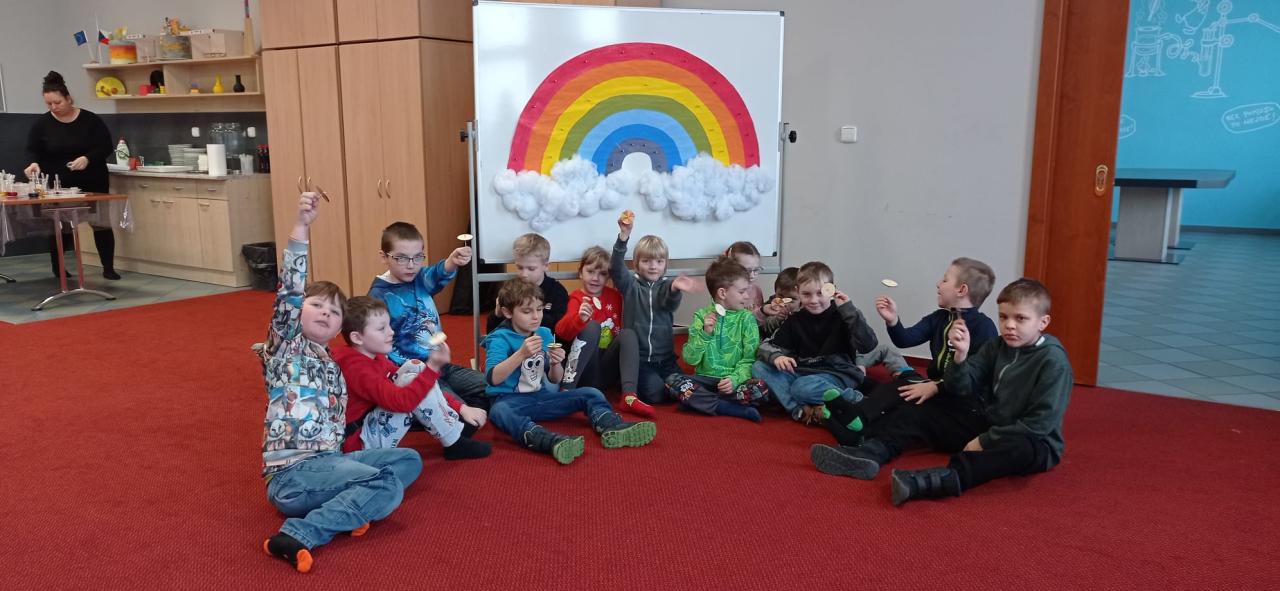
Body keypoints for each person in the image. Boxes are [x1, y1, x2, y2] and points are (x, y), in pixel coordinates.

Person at [258, 193, 421, 573]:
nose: (325, 312)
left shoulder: (333, 365)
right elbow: (289, 290)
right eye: (316, 305)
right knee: (386, 486)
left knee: (408, 460)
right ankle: (299, 533)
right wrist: (302, 225)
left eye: (334, 311)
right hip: (292, 475)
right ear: (296, 313)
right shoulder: (286, 348)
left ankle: (347, 503)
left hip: (329, 463)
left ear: (339, 329)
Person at [810, 279, 1073, 507]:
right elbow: (961, 386)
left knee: (1019, 449)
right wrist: (960, 356)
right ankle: (871, 452)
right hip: (988, 423)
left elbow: (1039, 424)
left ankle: (943, 480)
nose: (1010, 325)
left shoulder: (1052, 361)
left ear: (1043, 322)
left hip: (1031, 440)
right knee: (921, 407)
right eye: (1004, 317)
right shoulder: (996, 346)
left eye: (1020, 319)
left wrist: (985, 441)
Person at [484, 279, 656, 465]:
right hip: (509, 401)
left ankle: (610, 425)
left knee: (591, 393)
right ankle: (548, 440)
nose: (536, 316)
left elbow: (555, 379)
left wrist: (556, 363)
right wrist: (520, 354)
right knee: (499, 411)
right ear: (508, 312)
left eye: (539, 309)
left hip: (540, 397)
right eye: (527, 311)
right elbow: (493, 378)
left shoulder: (544, 333)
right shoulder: (499, 338)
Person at [823, 258, 1000, 439]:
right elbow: (905, 340)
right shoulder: (939, 318)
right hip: (935, 387)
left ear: (961, 290)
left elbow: (978, 379)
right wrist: (893, 320)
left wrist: (936, 387)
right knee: (901, 386)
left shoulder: (983, 327)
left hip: (962, 403)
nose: (938, 283)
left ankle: (858, 425)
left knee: (907, 406)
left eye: (945, 279)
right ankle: (856, 419)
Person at [333, 296, 491, 460]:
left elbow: (414, 378)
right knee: (414, 380)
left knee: (415, 366)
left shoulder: (373, 356)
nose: (391, 332)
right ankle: (454, 441)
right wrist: (433, 368)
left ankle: (452, 429)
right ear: (357, 338)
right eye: (381, 329)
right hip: (358, 444)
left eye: (389, 325)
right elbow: (402, 402)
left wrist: (460, 407)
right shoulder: (357, 369)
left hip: (370, 421)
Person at [367, 222, 489, 409]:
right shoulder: (378, 296)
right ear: (384, 257)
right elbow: (377, 346)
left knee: (490, 388)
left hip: (441, 365)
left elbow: (436, 273)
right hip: (413, 372)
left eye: (418, 257)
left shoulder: (419, 278)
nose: (411, 265)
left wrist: (452, 261)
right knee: (457, 412)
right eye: (401, 258)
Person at [751, 263, 879, 424]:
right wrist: (777, 356)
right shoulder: (795, 320)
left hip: (837, 373)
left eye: (820, 293)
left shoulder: (844, 314)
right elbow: (766, 346)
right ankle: (802, 410)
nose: (814, 300)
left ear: (831, 290)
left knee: (801, 387)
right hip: (803, 372)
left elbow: (868, 345)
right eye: (806, 294)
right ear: (798, 291)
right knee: (759, 367)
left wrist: (850, 311)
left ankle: (855, 399)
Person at [23, 71, 119, 280]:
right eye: (49, 104)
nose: (53, 107)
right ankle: (58, 268)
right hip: (59, 183)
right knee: (60, 225)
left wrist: (88, 158)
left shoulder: (90, 120)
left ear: (69, 98)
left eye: (57, 102)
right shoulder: (42, 124)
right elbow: (32, 150)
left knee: (100, 223)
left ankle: (108, 267)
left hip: (92, 180)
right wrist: (33, 163)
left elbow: (105, 146)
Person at [668, 257, 769, 422]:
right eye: (742, 292)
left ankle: (699, 402)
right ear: (722, 293)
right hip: (705, 379)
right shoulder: (701, 316)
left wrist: (734, 379)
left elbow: (750, 359)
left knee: (761, 389)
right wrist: (704, 334)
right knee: (672, 381)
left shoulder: (747, 318)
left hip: (734, 382)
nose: (747, 296)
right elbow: (690, 359)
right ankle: (726, 407)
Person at [611, 215, 698, 404]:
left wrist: (675, 289)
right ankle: (630, 380)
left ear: (665, 264)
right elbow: (616, 268)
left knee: (689, 388)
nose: (653, 267)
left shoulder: (667, 286)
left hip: (666, 360)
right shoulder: (630, 285)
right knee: (655, 394)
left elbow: (670, 304)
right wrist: (623, 237)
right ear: (637, 263)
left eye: (659, 261)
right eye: (646, 261)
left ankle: (669, 385)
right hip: (641, 362)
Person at [553, 246, 647, 416]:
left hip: (606, 370)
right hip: (584, 369)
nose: (595, 278)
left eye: (602, 274)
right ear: (581, 273)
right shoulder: (576, 298)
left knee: (628, 334)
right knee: (592, 326)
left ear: (608, 277)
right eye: (590, 272)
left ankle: (629, 396)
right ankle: (566, 391)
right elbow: (561, 332)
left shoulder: (615, 296)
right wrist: (579, 319)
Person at [485, 233, 569, 334]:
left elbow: (560, 329)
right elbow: (491, 333)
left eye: (531, 268)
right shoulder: (510, 290)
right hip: (513, 342)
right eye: (520, 267)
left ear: (546, 266)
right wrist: (497, 314)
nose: (524, 274)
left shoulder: (557, 291)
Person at [725, 241, 768, 330]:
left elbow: (760, 323)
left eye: (756, 270)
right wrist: (762, 311)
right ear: (731, 268)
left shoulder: (756, 290)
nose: (752, 275)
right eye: (747, 270)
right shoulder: (727, 292)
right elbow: (733, 325)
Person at [760, 266, 800, 338]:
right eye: (780, 296)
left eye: (791, 299)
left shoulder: (805, 310)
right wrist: (777, 319)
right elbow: (764, 327)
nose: (784, 302)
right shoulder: (770, 305)